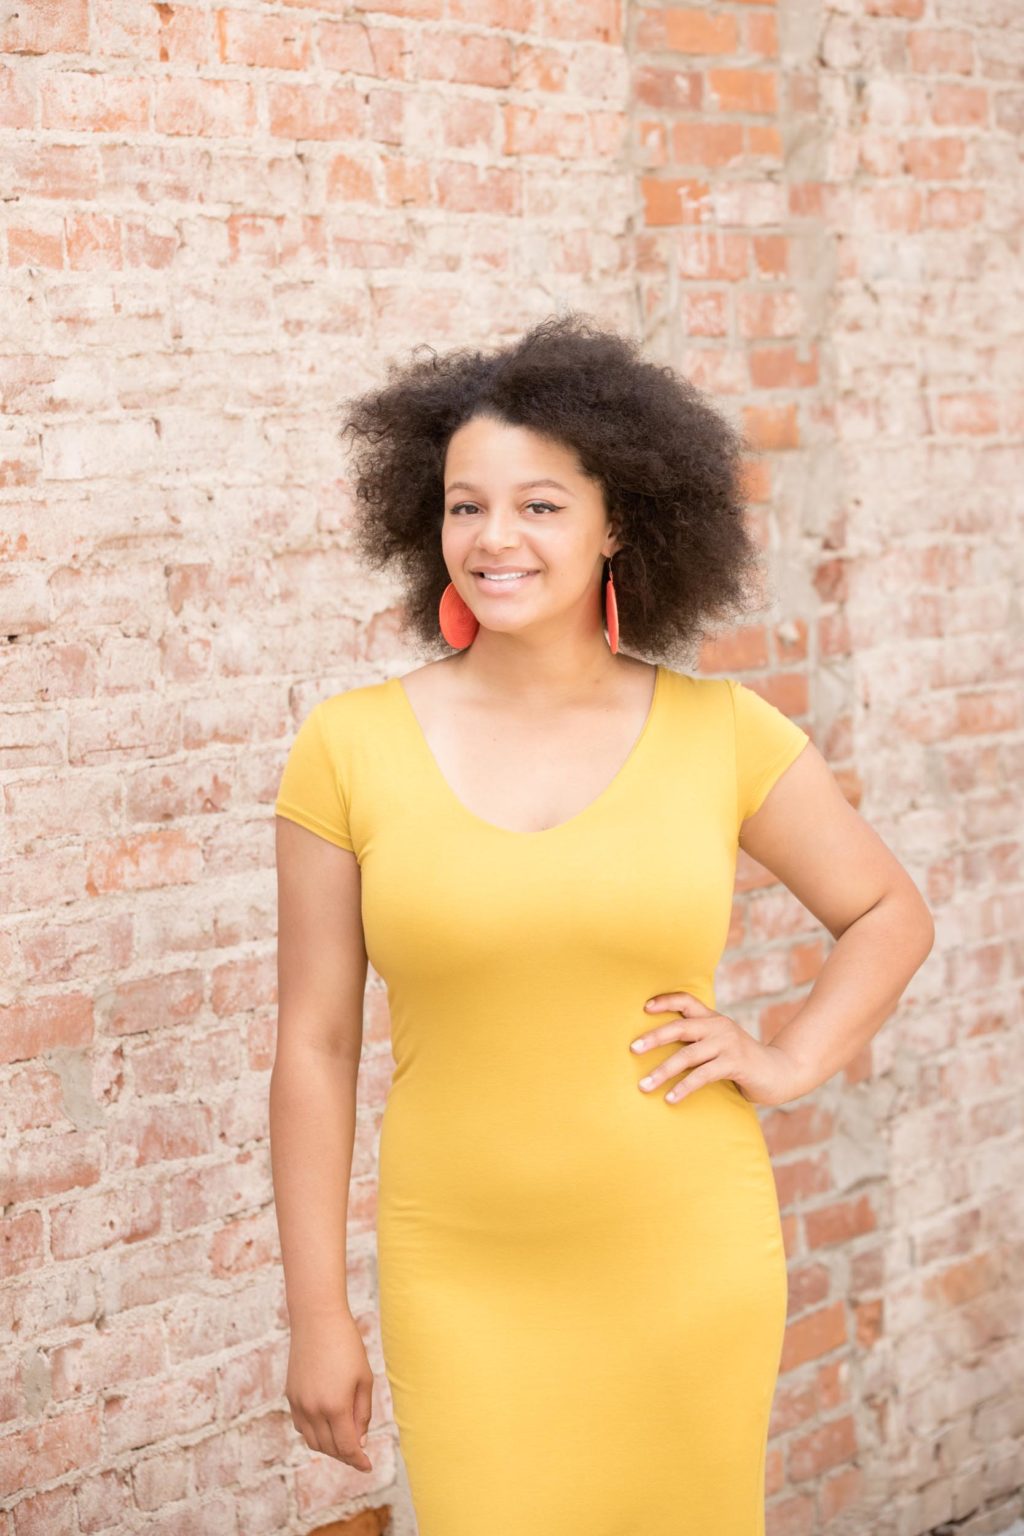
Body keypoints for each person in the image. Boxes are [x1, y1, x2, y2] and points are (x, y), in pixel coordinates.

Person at [270, 314, 934, 1535]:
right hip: (460, 1269)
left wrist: (786, 1059)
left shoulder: (720, 731)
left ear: (618, 520)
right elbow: (314, 1044)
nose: (495, 538)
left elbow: (888, 911)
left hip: (685, 1259)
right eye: (465, 506)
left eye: (539, 506)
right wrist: (318, 1314)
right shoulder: (348, 747)